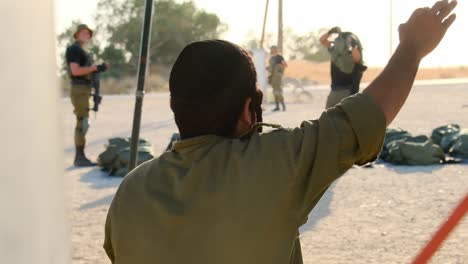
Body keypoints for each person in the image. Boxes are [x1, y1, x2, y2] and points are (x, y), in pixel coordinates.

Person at [104, 1, 457, 263]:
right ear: (247, 111)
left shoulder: (130, 192)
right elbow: (363, 117)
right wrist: (412, 46)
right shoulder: (272, 164)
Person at [65, 24, 108, 166]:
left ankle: (80, 155)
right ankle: (79, 157)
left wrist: (98, 68)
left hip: (84, 89)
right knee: (82, 122)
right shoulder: (75, 49)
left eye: (87, 33)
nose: (86, 35)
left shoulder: (83, 50)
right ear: (76, 34)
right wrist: (95, 67)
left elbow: (87, 70)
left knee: (83, 122)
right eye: (82, 32)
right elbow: (76, 71)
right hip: (79, 89)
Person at [320, 27, 367, 108]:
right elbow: (322, 40)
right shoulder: (338, 54)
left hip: (343, 93)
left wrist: (330, 33)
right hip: (340, 93)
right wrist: (331, 32)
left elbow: (322, 40)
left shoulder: (338, 54)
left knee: (329, 119)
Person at [268, 45, 288, 111]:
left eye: (273, 49)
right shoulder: (271, 58)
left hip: (278, 77)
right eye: (271, 49)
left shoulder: (279, 57)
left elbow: (285, 65)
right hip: (273, 77)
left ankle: (283, 106)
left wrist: (279, 69)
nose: (271, 50)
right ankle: (277, 107)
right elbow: (270, 68)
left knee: (278, 91)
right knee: (274, 92)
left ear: (276, 49)